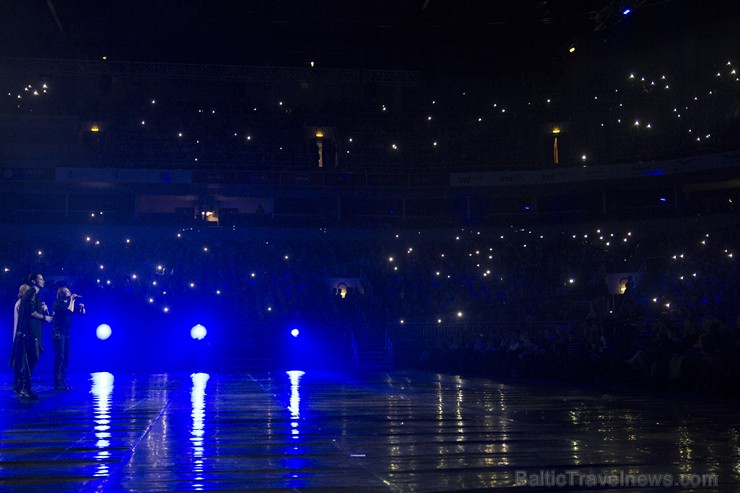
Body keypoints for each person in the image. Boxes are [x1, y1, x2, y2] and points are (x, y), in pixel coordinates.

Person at [10, 273, 52, 400]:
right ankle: (24, 388)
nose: (43, 281)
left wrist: (41, 307)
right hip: (29, 334)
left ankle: (23, 387)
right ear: (34, 281)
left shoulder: (33, 295)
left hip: (29, 333)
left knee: (29, 360)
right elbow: (31, 312)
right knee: (30, 360)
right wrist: (45, 317)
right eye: (40, 279)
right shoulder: (31, 293)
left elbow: (32, 310)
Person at [51, 287, 85, 391]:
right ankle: (58, 383)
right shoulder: (57, 303)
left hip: (66, 334)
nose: (69, 292)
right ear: (61, 293)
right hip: (59, 333)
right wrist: (72, 300)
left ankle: (62, 383)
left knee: (66, 357)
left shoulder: (68, 304)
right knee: (60, 357)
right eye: (67, 291)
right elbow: (69, 311)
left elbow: (81, 313)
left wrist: (82, 308)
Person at [11, 283, 30, 394]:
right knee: (20, 362)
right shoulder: (20, 304)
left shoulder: (20, 303)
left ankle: (18, 384)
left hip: (18, 335)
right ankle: (19, 385)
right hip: (19, 335)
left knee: (20, 362)